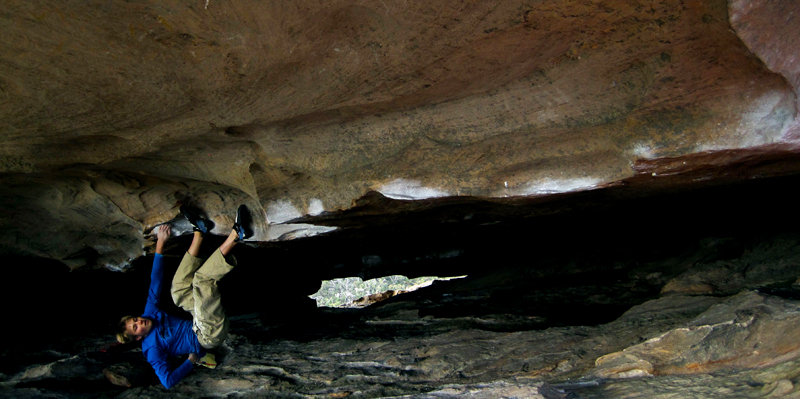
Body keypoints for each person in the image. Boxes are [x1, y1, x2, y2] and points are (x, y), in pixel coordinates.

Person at [116, 204, 253, 389]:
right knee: (201, 281)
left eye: (135, 319)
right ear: (138, 338)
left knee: (178, 290)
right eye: (135, 327)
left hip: (197, 318)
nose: (140, 321)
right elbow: (167, 381)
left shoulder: (149, 314)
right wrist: (190, 360)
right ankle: (237, 234)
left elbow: (155, 282)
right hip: (208, 335)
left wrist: (160, 245)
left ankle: (200, 232)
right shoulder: (152, 350)